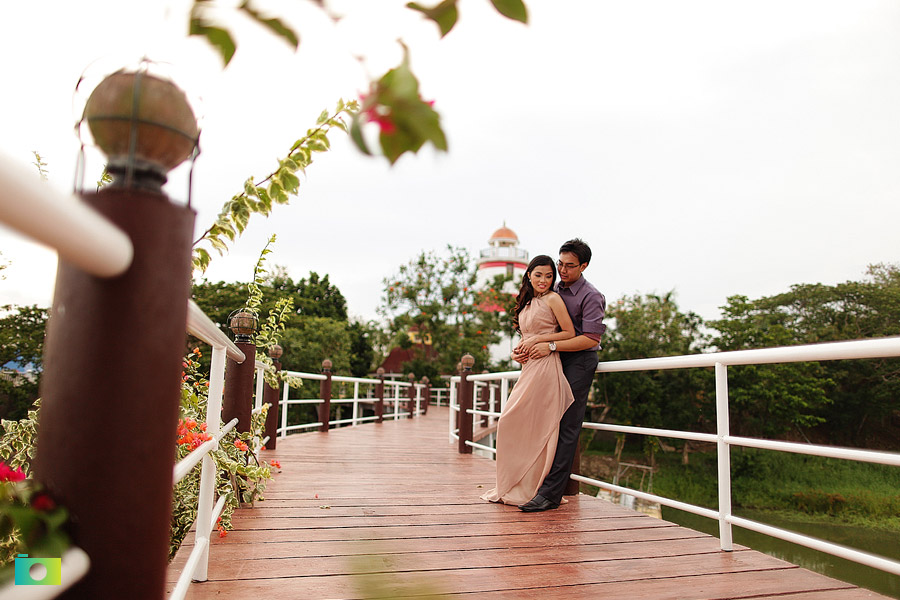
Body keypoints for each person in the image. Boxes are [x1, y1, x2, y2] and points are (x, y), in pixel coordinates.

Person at [516, 238, 606, 512]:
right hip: (550, 360)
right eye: (560, 264)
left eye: (569, 266)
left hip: (578, 361)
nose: (562, 270)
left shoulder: (591, 296)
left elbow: (590, 338)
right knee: (542, 420)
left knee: (567, 425)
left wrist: (550, 345)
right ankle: (532, 483)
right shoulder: (552, 289)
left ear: (583, 266)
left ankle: (551, 494)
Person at [481, 255, 577, 506]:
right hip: (529, 366)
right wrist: (517, 351)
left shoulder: (554, 299)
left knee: (528, 423)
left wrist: (539, 342)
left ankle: (531, 487)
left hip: (546, 366)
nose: (544, 280)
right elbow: (526, 335)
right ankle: (513, 482)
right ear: (529, 276)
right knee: (513, 421)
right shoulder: (527, 301)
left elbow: (569, 333)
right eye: (538, 275)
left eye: (548, 276)